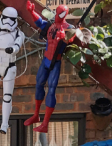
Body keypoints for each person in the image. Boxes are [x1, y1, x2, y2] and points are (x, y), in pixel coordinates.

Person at [22, 1, 89, 133]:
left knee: (51, 90)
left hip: (55, 62)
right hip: (46, 60)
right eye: (58, 12)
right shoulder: (51, 25)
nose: (59, 15)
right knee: (39, 84)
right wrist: (31, 11)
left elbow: (78, 39)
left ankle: (45, 124)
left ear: (65, 14)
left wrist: (72, 35)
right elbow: (40, 22)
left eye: (62, 13)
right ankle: (36, 115)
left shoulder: (69, 28)